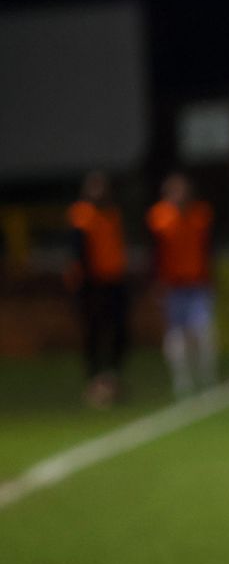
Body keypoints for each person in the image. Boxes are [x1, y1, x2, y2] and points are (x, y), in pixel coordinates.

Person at [146, 171, 218, 397]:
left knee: (203, 332)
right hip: (173, 285)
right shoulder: (158, 218)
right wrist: (157, 281)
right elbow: (154, 253)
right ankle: (182, 380)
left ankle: (207, 377)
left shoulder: (200, 215)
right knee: (176, 336)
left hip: (198, 283)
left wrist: (212, 277)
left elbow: (209, 249)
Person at [66, 170, 130, 408]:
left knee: (120, 332)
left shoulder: (112, 213)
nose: (99, 192)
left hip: (114, 281)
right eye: (94, 187)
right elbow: (76, 253)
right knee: (93, 333)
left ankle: (112, 377)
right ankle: (94, 381)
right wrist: (81, 285)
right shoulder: (81, 215)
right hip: (92, 285)